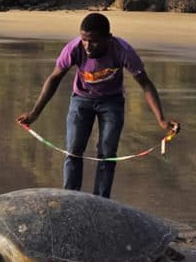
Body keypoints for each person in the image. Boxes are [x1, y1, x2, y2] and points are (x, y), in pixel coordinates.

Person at [17, 12, 179, 198]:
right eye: (84, 40)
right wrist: (34, 113)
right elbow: (54, 78)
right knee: (73, 151)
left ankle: (101, 201)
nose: (87, 46)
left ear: (108, 38)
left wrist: (161, 119)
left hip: (112, 102)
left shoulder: (122, 51)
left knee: (107, 154)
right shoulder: (74, 48)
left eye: (93, 41)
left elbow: (145, 84)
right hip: (81, 100)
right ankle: (70, 198)